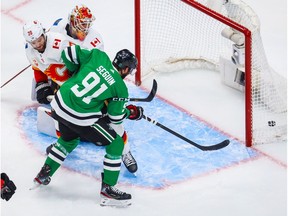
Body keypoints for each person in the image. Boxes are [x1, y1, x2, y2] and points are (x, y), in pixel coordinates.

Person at [23, 8, 138, 173]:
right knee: (60, 113)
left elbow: (98, 69)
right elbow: (40, 64)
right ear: (72, 21)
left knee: (113, 121)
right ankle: (63, 141)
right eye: (81, 24)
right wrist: (42, 84)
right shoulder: (56, 30)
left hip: (84, 84)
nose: (85, 28)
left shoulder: (94, 41)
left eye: (87, 25)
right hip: (68, 86)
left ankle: (125, 152)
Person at [33, 45, 143, 207]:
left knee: (68, 140)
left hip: (59, 103)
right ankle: (108, 190)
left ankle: (43, 174)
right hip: (78, 115)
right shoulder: (120, 88)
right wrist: (130, 112)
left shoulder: (99, 56)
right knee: (116, 143)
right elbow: (115, 118)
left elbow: (68, 53)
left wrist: (75, 72)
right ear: (126, 69)